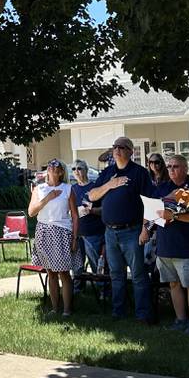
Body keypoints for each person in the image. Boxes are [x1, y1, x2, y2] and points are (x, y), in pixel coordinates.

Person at [88, 137, 154, 321]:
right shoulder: (108, 173)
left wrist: (145, 229)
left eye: (122, 147)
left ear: (131, 151)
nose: (117, 149)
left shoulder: (140, 173)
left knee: (138, 274)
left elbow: (150, 203)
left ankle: (143, 314)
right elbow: (92, 196)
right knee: (116, 274)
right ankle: (119, 312)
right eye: (114, 146)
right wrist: (109, 185)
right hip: (110, 232)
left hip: (132, 231)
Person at [148, 155, 189, 333]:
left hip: (188, 246)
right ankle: (180, 319)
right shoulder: (162, 187)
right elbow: (152, 212)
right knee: (173, 284)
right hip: (166, 245)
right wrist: (145, 228)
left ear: (186, 168)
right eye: (170, 166)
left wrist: (174, 216)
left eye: (176, 166)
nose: (172, 170)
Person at [28, 159, 79, 316]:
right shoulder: (39, 189)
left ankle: (67, 310)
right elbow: (31, 212)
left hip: (62, 232)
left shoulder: (68, 189)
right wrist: (48, 198)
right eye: (50, 166)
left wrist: (75, 238)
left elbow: (75, 216)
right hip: (43, 232)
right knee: (51, 272)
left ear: (61, 172)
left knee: (63, 272)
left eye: (56, 167)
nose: (52, 168)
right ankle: (54, 308)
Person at [70, 159, 105, 296]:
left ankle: (103, 290)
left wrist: (92, 211)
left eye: (79, 168)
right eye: (74, 169)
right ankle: (78, 290)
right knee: (77, 264)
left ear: (86, 170)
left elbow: (105, 209)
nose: (76, 172)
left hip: (93, 232)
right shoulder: (72, 189)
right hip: (77, 232)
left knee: (96, 263)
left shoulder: (95, 188)